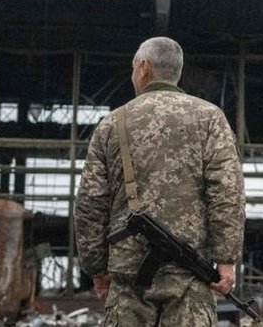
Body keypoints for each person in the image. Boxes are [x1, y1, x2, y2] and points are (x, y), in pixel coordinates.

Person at [75, 37, 245, 326]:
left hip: (128, 278)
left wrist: (97, 268)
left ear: (143, 68)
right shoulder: (210, 118)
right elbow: (227, 191)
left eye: (133, 68)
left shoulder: (112, 124)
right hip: (189, 279)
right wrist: (226, 259)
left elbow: (91, 202)